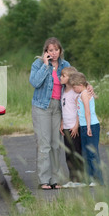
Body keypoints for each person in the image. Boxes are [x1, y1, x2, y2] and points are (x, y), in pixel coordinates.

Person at [29, 37, 70, 190]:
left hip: (58, 108)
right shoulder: (38, 64)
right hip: (42, 107)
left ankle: (55, 179)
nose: (53, 53)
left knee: (56, 144)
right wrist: (46, 66)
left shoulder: (65, 65)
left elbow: (74, 83)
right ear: (46, 51)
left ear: (60, 51)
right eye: (50, 50)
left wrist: (88, 87)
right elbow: (34, 82)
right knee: (44, 144)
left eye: (56, 50)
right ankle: (44, 180)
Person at [69, 72, 104, 186]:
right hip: (84, 126)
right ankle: (89, 179)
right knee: (85, 153)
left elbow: (87, 112)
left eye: (74, 87)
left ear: (80, 84)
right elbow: (80, 112)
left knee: (92, 153)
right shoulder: (80, 95)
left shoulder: (84, 93)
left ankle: (98, 179)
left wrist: (88, 127)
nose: (73, 89)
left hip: (91, 126)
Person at [59, 67, 86, 188]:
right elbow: (65, 109)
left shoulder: (75, 93)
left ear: (70, 78)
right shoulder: (63, 91)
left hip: (74, 127)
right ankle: (72, 178)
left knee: (76, 152)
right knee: (68, 153)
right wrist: (62, 123)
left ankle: (80, 179)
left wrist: (76, 125)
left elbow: (79, 110)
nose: (61, 77)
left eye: (63, 76)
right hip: (66, 126)